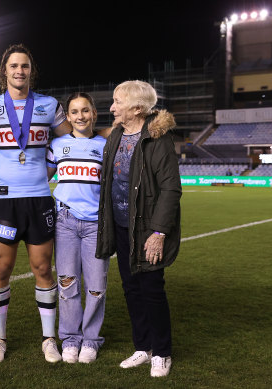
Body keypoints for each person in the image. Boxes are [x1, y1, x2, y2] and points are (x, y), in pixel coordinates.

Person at [0, 43, 72, 364]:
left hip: (40, 199)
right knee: (2, 268)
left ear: (32, 71)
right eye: (14, 66)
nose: (19, 71)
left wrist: (51, 167)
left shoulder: (48, 105)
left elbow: (70, 141)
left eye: (25, 66)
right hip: (4, 201)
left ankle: (49, 339)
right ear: (5, 71)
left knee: (43, 268)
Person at [95, 80, 182, 378]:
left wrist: (158, 233)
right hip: (120, 227)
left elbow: (171, 190)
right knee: (132, 289)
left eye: (117, 101)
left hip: (146, 230)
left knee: (152, 291)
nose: (112, 107)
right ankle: (143, 348)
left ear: (136, 108)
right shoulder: (116, 134)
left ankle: (162, 352)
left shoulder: (159, 140)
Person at [46, 92, 109, 364]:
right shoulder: (57, 145)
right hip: (65, 223)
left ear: (93, 113)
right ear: (68, 116)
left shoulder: (106, 144)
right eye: (75, 111)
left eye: (85, 110)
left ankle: (91, 340)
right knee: (67, 283)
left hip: (97, 225)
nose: (80, 116)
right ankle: (71, 339)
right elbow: (40, 179)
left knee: (96, 287)